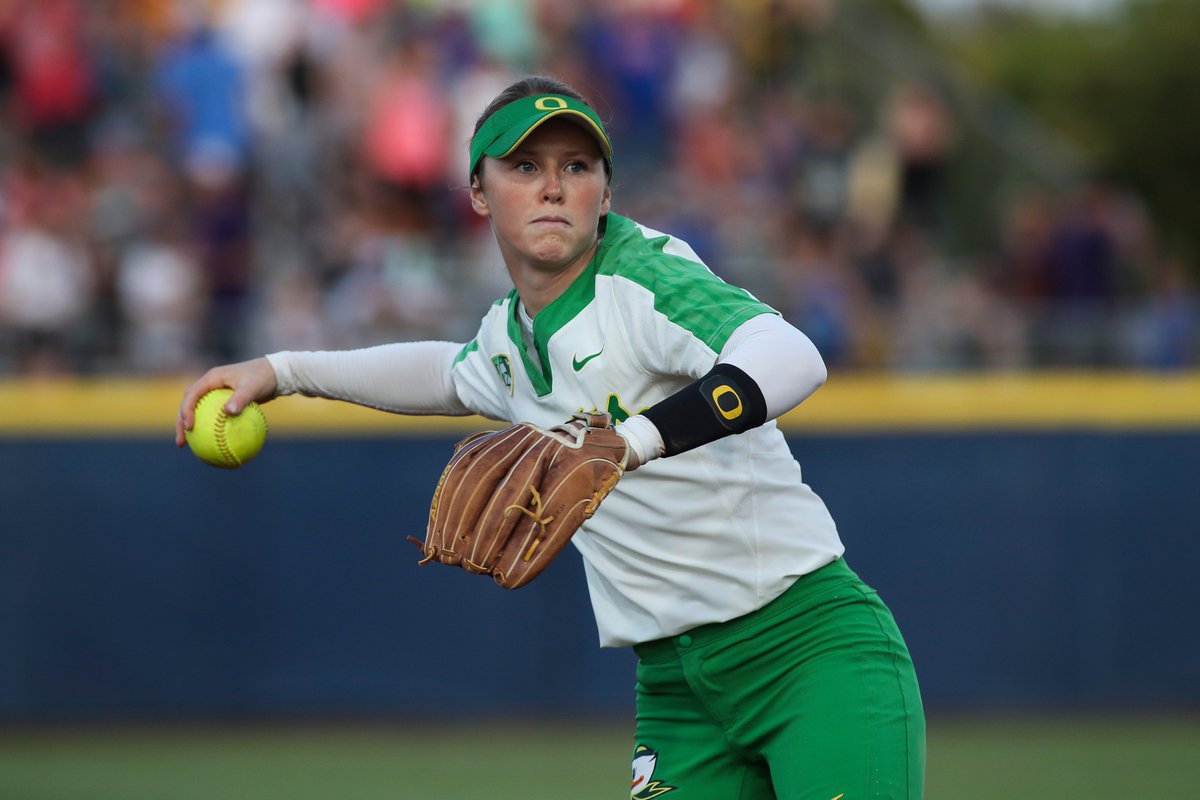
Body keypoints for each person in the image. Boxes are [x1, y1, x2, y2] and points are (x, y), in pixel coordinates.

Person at [175, 75, 925, 800]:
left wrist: (630, 442)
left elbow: (793, 356)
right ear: (477, 192)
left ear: (607, 192)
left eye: (577, 165)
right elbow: (445, 373)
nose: (553, 185)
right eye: (524, 166)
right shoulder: (508, 337)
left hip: (806, 649)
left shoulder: (641, 277)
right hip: (675, 689)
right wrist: (281, 370)